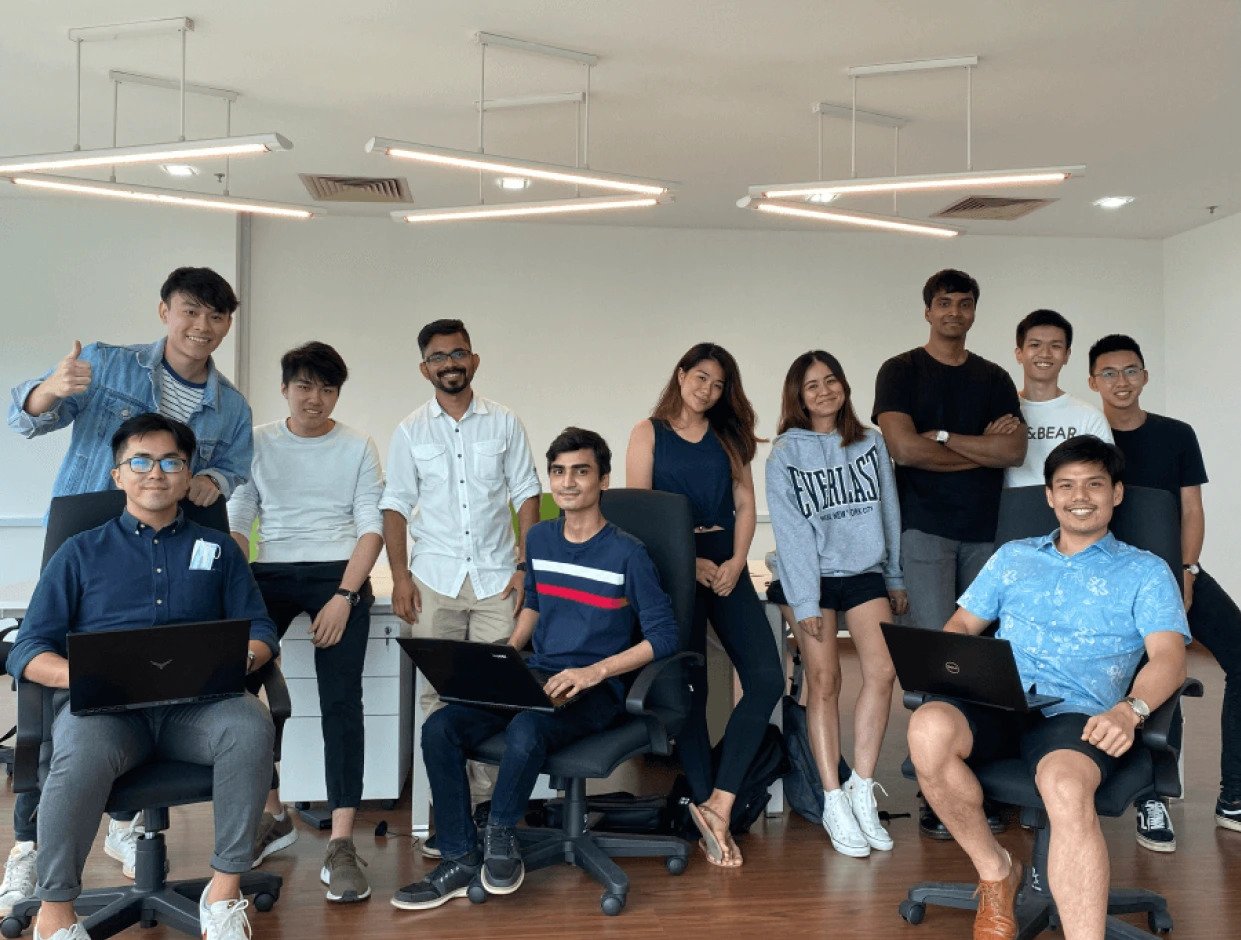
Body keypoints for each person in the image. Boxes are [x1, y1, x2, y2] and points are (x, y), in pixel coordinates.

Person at [2, 267, 254, 905]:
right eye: (190, 311)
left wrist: (212, 483)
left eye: (216, 317)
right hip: (97, 538)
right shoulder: (108, 366)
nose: (201, 327)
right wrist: (49, 390)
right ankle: (37, 868)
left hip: (177, 568)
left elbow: (233, 469)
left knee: (232, 712)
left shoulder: (230, 408)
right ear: (166, 310)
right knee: (78, 732)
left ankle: (197, 879)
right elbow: (26, 417)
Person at [5, 413, 280, 940]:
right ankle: (56, 909)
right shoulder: (79, 552)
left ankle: (223, 894)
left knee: (248, 723)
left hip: (195, 710)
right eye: (141, 461)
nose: (156, 473)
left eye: (171, 461)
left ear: (187, 472)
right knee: (80, 748)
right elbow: (28, 648)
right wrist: (84, 673)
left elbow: (262, 629)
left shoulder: (219, 551)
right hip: (106, 711)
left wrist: (240, 658)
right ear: (118, 475)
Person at [907, 435, 1189, 940]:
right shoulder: (1013, 558)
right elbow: (960, 627)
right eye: (1066, 486)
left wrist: (1131, 711)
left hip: (1078, 713)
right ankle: (997, 873)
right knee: (927, 727)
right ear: (1050, 496)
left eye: (1093, 484)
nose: (1080, 496)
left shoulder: (1146, 571)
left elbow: (1169, 657)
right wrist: (953, 665)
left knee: (1063, 785)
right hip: (998, 698)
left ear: (1116, 493)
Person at [392, 427, 679, 910]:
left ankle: (502, 837)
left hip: (596, 690)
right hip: (537, 674)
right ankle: (461, 856)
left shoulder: (628, 553)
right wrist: (505, 651)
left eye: (581, 471)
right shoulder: (541, 538)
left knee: (528, 728)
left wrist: (595, 673)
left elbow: (664, 634)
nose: (568, 482)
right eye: (559, 472)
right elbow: (538, 605)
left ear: (603, 480)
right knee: (441, 726)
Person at [226, 342, 384, 900]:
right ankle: (274, 814)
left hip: (337, 571)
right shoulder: (259, 441)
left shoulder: (358, 445)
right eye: (304, 386)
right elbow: (240, 518)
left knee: (342, 699)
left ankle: (341, 841)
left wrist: (346, 593)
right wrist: (236, 585)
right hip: (269, 572)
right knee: (237, 687)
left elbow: (371, 527)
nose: (314, 398)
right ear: (286, 387)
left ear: (337, 393)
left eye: (327, 388)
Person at [873, 269, 1025, 839]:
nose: (955, 313)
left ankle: (977, 782)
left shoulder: (993, 377)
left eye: (965, 304)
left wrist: (941, 438)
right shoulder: (901, 371)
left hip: (987, 534)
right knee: (938, 659)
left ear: (974, 312)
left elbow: (1011, 450)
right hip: (924, 532)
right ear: (928, 311)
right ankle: (938, 792)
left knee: (982, 662)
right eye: (944, 303)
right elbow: (902, 450)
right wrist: (974, 450)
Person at [379, 319, 541, 854]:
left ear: (474, 359)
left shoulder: (505, 422)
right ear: (424, 367)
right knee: (439, 695)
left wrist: (526, 564)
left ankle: (489, 809)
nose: (449, 363)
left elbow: (526, 495)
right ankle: (449, 810)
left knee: (501, 691)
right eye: (438, 356)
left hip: (498, 579)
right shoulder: (410, 431)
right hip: (435, 580)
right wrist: (401, 575)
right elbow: (396, 506)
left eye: (458, 353)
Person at [625, 343, 783, 868]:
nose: (709, 391)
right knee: (693, 690)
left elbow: (744, 504)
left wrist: (738, 559)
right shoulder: (648, 433)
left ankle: (721, 800)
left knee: (766, 679)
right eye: (701, 378)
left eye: (719, 385)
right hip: (673, 569)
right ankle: (702, 805)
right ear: (681, 374)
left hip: (726, 563)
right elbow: (638, 516)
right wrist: (689, 564)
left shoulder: (725, 435)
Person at [1088, 333, 1241, 850]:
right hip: (1112, 581)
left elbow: (1191, 509)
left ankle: (1235, 796)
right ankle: (1150, 795)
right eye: (1108, 373)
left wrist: (1188, 572)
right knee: (1150, 672)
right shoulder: (1089, 438)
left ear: (1146, 377)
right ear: (1093, 382)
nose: (1121, 382)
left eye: (1131, 371)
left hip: (1175, 572)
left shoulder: (1176, 434)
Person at [765, 350, 906, 857]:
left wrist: (894, 574)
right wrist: (803, 599)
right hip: (814, 578)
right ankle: (831, 797)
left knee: (884, 672)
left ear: (844, 385)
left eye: (831, 381)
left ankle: (861, 789)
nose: (824, 391)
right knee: (824, 680)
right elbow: (791, 532)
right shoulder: (785, 453)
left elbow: (888, 507)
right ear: (798, 398)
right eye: (811, 386)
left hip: (864, 571)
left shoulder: (869, 442)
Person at [1005, 309, 1113, 488]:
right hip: (1012, 511)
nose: (1045, 353)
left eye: (1055, 346)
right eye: (1035, 345)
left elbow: (1104, 480)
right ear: (1019, 353)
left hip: (1070, 513)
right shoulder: (1003, 411)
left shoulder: (1089, 417)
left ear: (1066, 355)